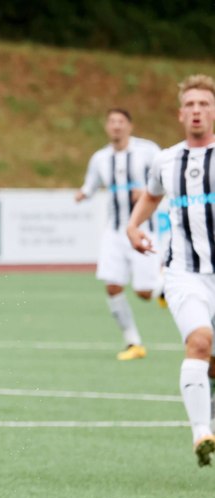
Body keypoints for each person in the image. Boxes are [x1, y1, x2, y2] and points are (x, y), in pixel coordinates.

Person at [126, 74, 215, 467]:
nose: (197, 111)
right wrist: (133, 227)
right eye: (191, 105)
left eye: (204, 104)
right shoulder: (166, 160)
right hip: (184, 273)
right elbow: (150, 195)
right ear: (181, 114)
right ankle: (202, 434)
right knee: (199, 341)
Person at [76, 109, 162, 360]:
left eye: (121, 122)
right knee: (112, 286)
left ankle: (168, 287)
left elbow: (166, 181)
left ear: (130, 126)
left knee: (144, 293)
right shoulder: (100, 158)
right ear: (106, 127)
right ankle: (133, 343)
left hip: (144, 229)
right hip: (114, 233)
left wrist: (145, 191)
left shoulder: (149, 151)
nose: (116, 126)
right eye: (111, 122)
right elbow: (91, 185)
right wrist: (83, 194)